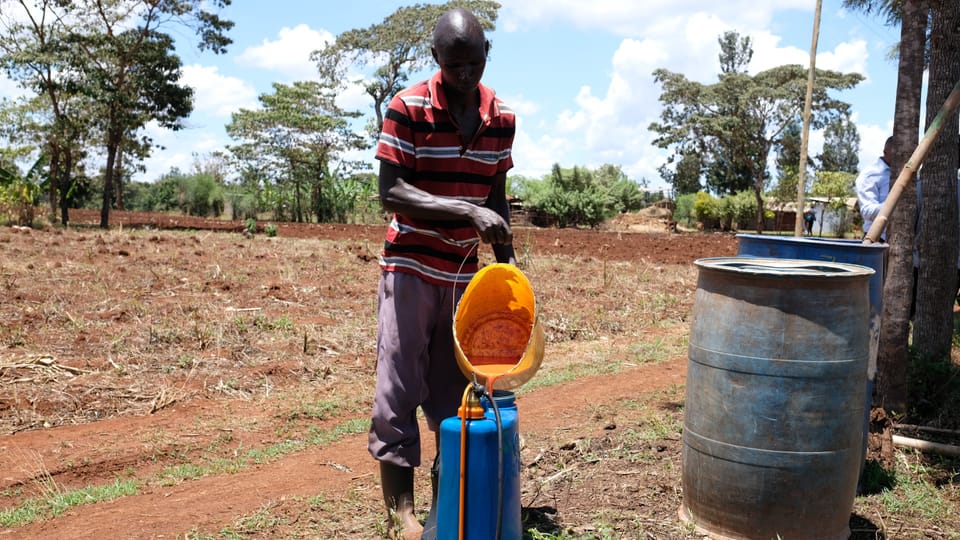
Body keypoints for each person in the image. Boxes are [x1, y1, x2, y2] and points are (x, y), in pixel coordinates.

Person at [367, 8, 516, 539]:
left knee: (458, 394)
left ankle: (444, 503)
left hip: (461, 274)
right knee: (400, 386)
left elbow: (495, 199)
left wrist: (508, 272)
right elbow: (391, 192)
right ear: (436, 59)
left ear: (485, 58)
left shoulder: (502, 119)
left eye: (473, 64)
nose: (465, 75)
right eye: (454, 65)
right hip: (409, 265)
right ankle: (400, 513)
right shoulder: (406, 108)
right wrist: (465, 211)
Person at [855, 136, 895, 240]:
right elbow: (867, 211)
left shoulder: (910, 175)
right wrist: (894, 205)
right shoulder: (870, 175)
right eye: (895, 152)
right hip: (877, 239)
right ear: (885, 151)